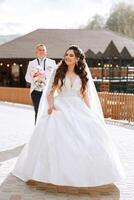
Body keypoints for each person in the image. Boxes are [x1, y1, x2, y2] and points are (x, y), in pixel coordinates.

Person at [12, 45, 125, 187]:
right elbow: (50, 93)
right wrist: (51, 106)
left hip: (78, 106)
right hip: (61, 104)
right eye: (66, 55)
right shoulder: (59, 71)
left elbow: (84, 94)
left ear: (77, 59)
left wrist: (90, 111)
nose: (68, 57)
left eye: (71, 55)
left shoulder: (82, 74)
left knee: (89, 134)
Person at [25, 44, 56, 123]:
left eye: (43, 50)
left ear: (46, 52)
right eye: (40, 50)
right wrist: (36, 79)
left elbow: (55, 77)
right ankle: (37, 131)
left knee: (48, 111)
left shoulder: (52, 62)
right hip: (36, 92)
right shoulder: (31, 63)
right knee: (38, 111)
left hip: (49, 92)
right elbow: (27, 78)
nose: (41, 51)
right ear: (36, 52)